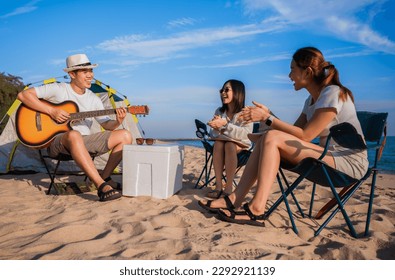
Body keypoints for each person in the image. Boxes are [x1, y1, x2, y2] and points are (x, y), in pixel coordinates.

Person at [199, 47, 368, 226]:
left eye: (292, 69)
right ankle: (234, 199)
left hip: (348, 163)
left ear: (307, 72)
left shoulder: (332, 93)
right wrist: (269, 116)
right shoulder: (309, 101)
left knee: (271, 137)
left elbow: (307, 136)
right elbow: (293, 132)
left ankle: (256, 209)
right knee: (268, 137)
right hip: (328, 157)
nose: (289, 75)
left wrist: (268, 118)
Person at [17, 54, 132, 202]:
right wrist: (52, 111)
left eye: (91, 71)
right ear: (72, 74)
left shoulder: (93, 98)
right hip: (58, 143)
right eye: (85, 72)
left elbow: (106, 125)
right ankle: (101, 186)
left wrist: (117, 121)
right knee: (74, 134)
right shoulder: (59, 89)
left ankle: (105, 177)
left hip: (84, 142)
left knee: (125, 135)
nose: (90, 75)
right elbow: (23, 95)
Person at [206, 79, 253, 198]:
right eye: (221, 90)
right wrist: (216, 128)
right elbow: (214, 135)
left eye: (227, 90)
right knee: (219, 144)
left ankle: (228, 188)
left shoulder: (245, 112)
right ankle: (218, 186)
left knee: (229, 145)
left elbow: (246, 134)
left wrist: (225, 126)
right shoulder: (220, 111)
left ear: (238, 92)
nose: (223, 93)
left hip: (241, 147)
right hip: (222, 144)